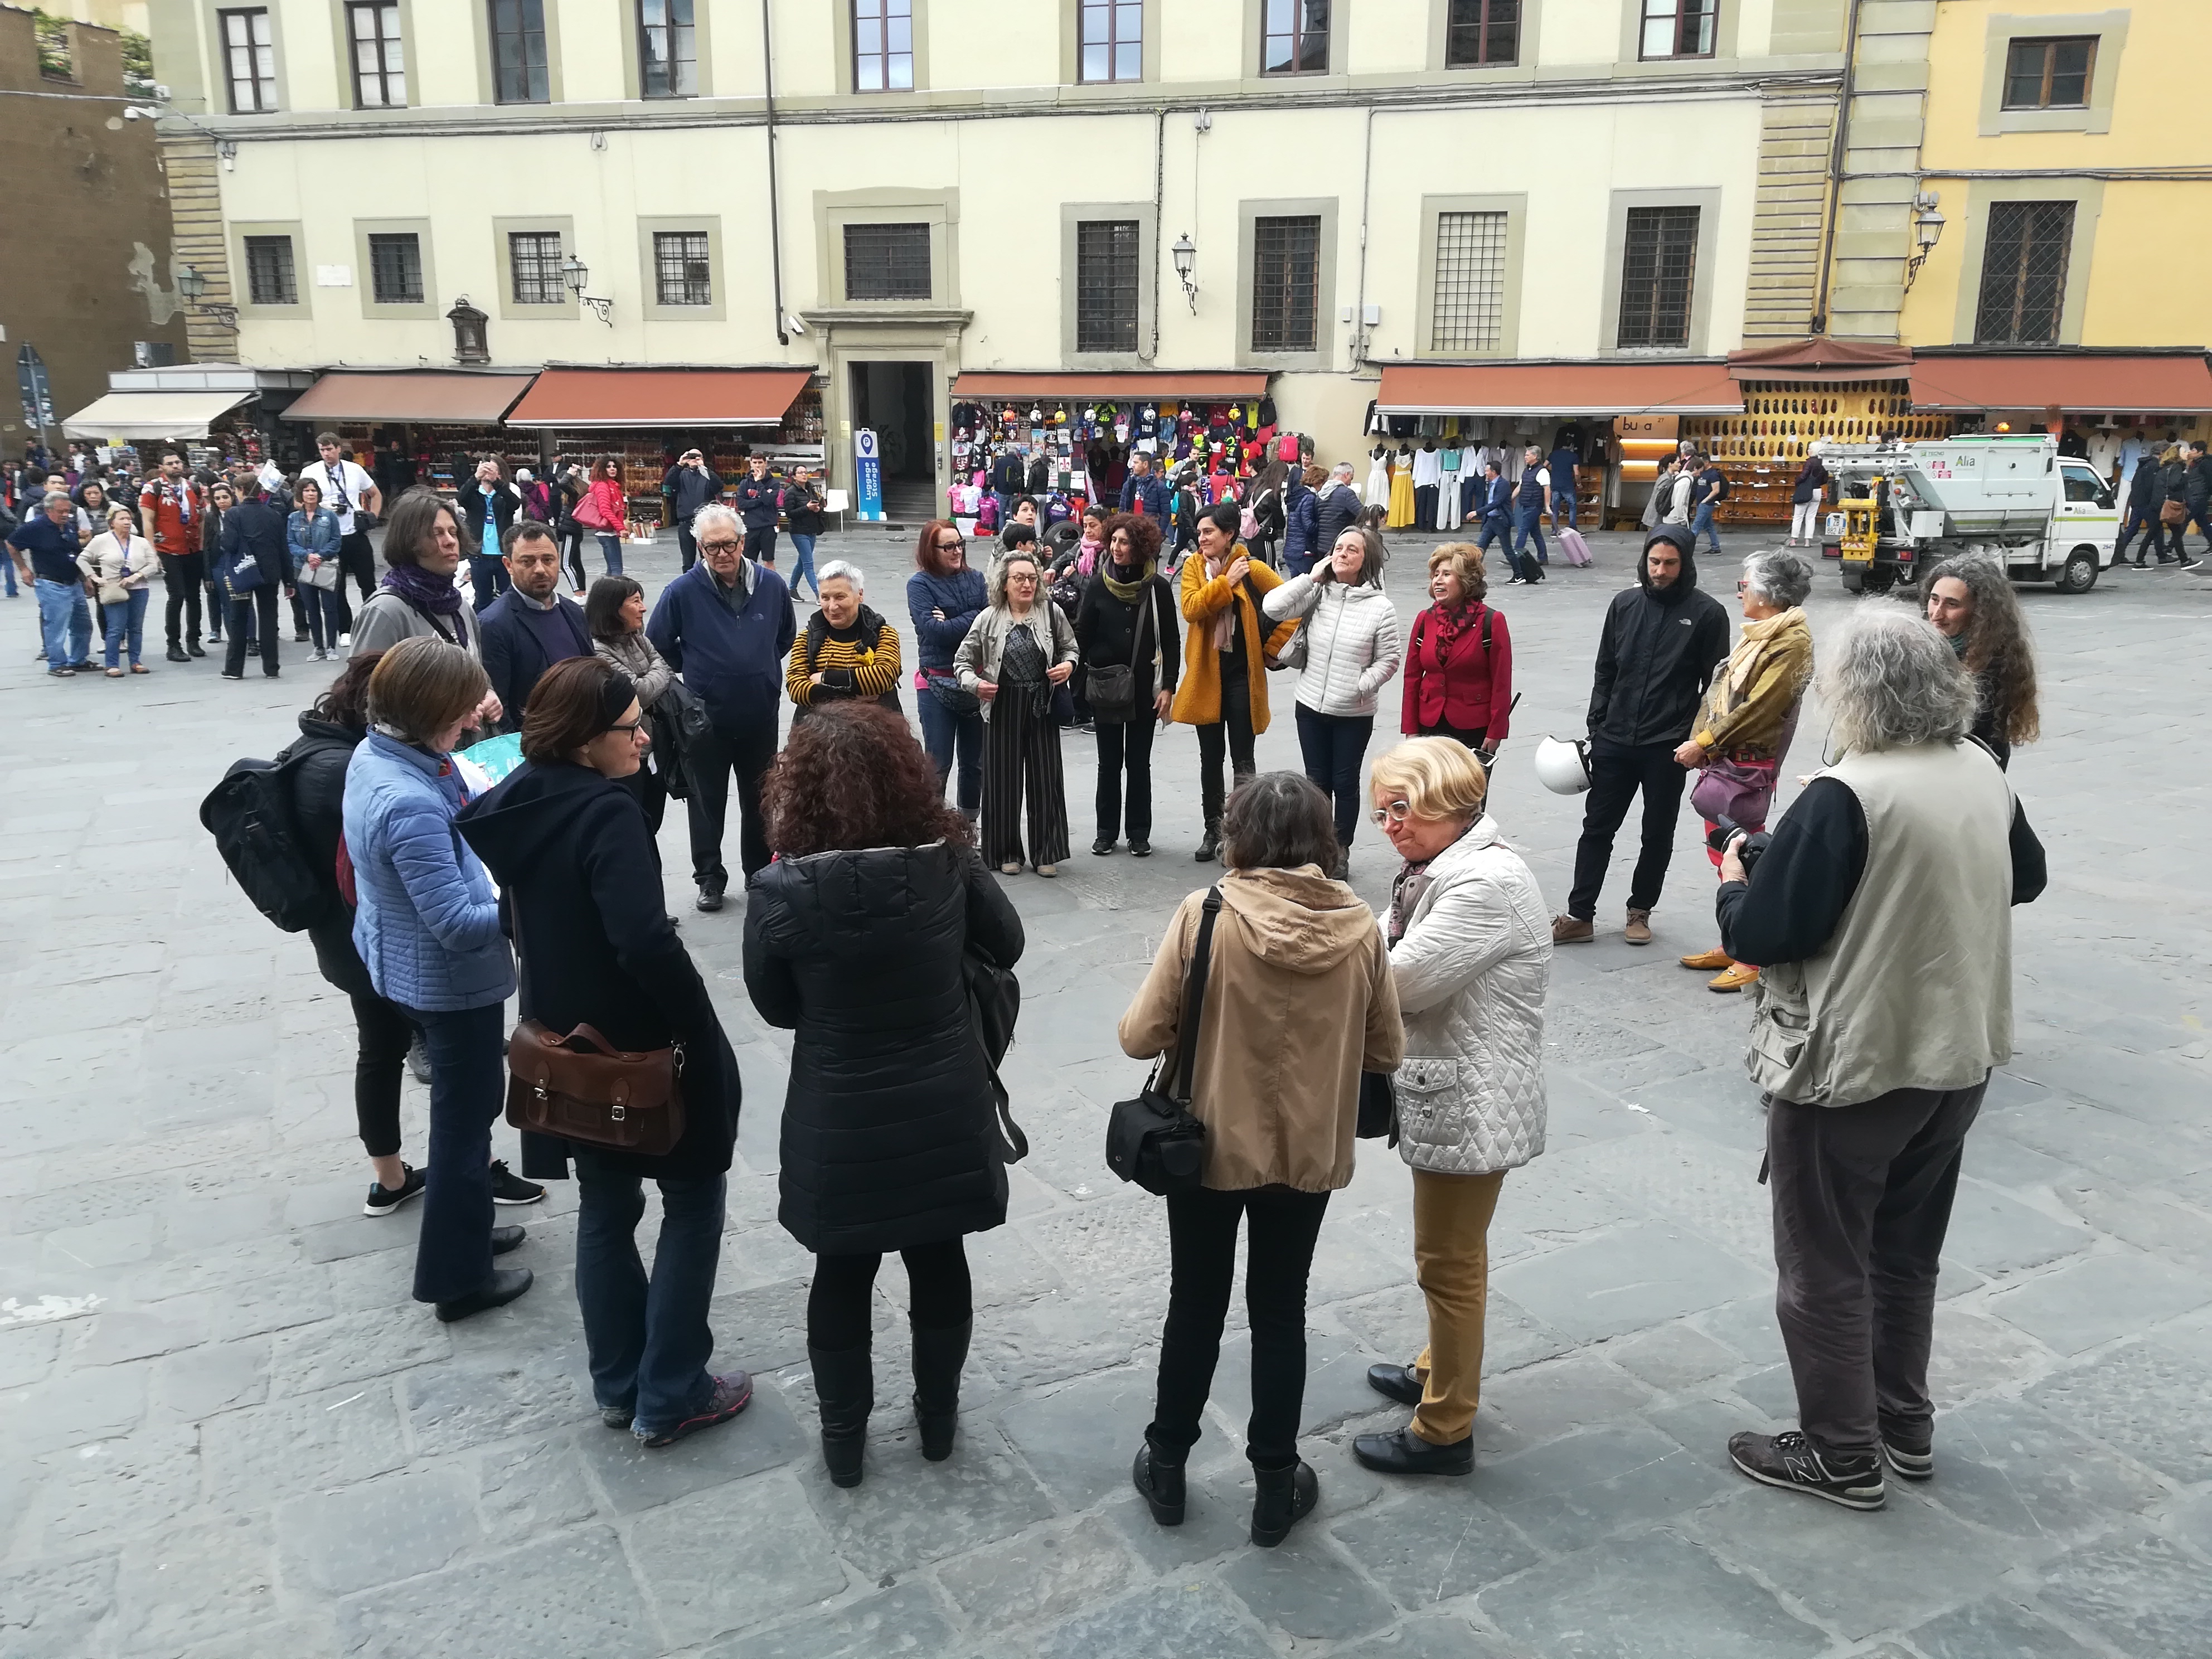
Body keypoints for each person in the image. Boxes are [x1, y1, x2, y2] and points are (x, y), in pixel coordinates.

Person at [1716, 605, 2046, 1511]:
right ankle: (1901, 1423)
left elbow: (1768, 932)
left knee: (1821, 1263)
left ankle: (1839, 1453)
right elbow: (2026, 876)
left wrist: (1737, 883)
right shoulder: (1980, 768)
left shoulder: (1843, 792)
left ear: (1851, 695)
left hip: (1855, 1067)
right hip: (1958, 1058)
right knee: (1904, 1255)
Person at [458, 656, 750, 1447]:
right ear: (587, 739)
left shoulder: (517, 800)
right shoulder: (604, 812)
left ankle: (619, 1382)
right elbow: (643, 941)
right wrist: (697, 1024)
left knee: (606, 1207)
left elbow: (523, 919)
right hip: (639, 1046)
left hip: (564, 1044)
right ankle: (672, 1388)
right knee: (693, 1201)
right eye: (630, 727)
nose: (645, 736)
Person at [743, 702, 1025, 1486]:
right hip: (942, 1097)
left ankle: (843, 1441)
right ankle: (938, 1422)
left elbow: (776, 1007)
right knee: (938, 1258)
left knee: (843, 1268)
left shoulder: (780, 890)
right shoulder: (947, 862)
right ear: (906, 776)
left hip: (839, 1109)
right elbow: (1008, 945)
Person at [1120, 772, 1403, 1548]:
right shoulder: (1360, 927)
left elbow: (1140, 1035)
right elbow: (1387, 1049)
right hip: (1307, 1150)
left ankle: (1169, 1464)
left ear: (1238, 831)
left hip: (1207, 1144)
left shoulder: (1205, 913)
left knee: (1196, 1303)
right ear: (1323, 837)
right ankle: (1276, 1485)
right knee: (1281, 1311)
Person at [1353, 739, 1548, 1477]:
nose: (1390, 825)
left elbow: (1396, 978)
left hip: (1473, 1098)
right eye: (1383, 811)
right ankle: (1437, 1369)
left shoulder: (1480, 884)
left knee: (1448, 1263)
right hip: (1456, 1089)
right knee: (1454, 1254)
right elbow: (1382, 936)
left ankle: (1444, 1430)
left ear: (1448, 803)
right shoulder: (1438, 865)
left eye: (1403, 809)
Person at [343, 637, 532, 1323]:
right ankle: (456, 1278)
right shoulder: (407, 802)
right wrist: (525, 899)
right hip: (447, 983)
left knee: (466, 1113)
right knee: (463, 1122)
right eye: (459, 712)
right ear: (428, 713)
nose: (470, 722)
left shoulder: (381, 753)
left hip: (405, 963)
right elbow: (456, 921)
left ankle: (469, 1225)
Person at [279, 651, 472, 1219]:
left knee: (381, 1049)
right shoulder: (346, 768)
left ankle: (390, 1179)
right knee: (449, 1065)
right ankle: (468, 1175)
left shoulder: (330, 749)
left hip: (350, 936)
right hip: (372, 939)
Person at [1554, 525, 1730, 946]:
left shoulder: (1708, 614)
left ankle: (1640, 911)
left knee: (1657, 832)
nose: (1661, 570)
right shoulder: (1624, 605)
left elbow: (1717, 687)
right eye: (1654, 562)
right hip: (1614, 739)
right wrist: (1597, 725)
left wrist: (1698, 740)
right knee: (1597, 827)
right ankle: (1580, 914)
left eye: (1670, 563)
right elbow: (1605, 669)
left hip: (1667, 747)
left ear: (1685, 564)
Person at [1675, 549, 1816, 993]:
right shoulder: (1760, 633)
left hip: (1746, 760)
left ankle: (1751, 951)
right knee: (1723, 851)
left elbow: (1761, 710)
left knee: (1746, 852)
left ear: (1768, 593)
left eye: (1745, 585)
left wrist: (1703, 743)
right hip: (1726, 759)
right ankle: (1734, 937)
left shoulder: (1790, 642)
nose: (1740, 592)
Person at [647, 501, 796, 912]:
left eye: (728, 545)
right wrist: (698, 670)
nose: (722, 554)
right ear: (700, 548)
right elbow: (657, 644)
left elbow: (785, 636)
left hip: (759, 713)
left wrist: (761, 670)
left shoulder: (772, 585)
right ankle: (710, 879)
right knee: (705, 800)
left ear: (743, 541)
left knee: (759, 799)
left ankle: (757, 873)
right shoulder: (681, 592)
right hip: (703, 718)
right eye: (711, 548)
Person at [1263, 525, 1403, 863]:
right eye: (1338, 548)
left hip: (1353, 713)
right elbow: (1272, 607)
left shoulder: (1380, 607)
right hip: (1310, 704)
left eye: (1351, 549)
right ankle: (1317, 847)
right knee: (1316, 781)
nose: (1342, 553)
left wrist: (1361, 685)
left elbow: (1390, 659)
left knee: (1344, 782)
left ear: (1366, 559)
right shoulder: (1319, 592)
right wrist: (1311, 577)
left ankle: (1340, 849)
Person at [1174, 501, 1297, 862]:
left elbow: (1294, 606)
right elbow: (1192, 608)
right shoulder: (1195, 567)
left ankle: (1244, 832)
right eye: (1199, 532)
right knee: (1209, 759)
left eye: (1209, 532)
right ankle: (1212, 829)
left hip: (1244, 677)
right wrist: (1224, 585)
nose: (1202, 538)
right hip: (1207, 677)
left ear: (1229, 535)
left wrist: (1273, 649)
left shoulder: (1254, 569)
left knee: (1243, 760)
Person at [954, 543, 1076, 877]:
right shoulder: (988, 618)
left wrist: (1067, 666)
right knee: (1002, 781)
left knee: (1045, 779)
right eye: (1019, 578)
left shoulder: (1052, 613)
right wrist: (975, 685)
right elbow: (962, 662)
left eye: (1032, 578)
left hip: (1041, 704)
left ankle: (1046, 852)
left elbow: (1070, 648)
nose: (1027, 584)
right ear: (1004, 583)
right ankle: (1006, 850)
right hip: (1002, 703)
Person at [1076, 512, 1179, 857]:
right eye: (1114, 541)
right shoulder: (1098, 584)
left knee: (1139, 763)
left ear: (1141, 547)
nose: (1117, 548)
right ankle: (1105, 831)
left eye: (1125, 542)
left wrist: (1168, 686)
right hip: (1106, 688)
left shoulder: (1158, 588)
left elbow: (1172, 641)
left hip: (1144, 690)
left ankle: (1138, 832)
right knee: (1108, 762)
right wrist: (1076, 678)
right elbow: (1083, 635)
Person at [1920, 554, 2040, 772]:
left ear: (1980, 611)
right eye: (1934, 599)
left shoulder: (1991, 663)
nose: (1936, 614)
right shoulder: (1922, 646)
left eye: (1952, 604)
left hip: (1968, 772)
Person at [478, 520, 591, 733]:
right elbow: (500, 711)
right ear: (508, 565)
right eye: (527, 562)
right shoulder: (494, 625)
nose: (540, 569)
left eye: (548, 560)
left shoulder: (573, 612)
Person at [1401, 543, 1512, 761]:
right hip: (1429, 723)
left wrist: (1496, 731)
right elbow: (1412, 677)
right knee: (1429, 792)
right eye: (1435, 575)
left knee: (1466, 793)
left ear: (1465, 581)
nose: (1438, 580)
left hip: (1472, 726)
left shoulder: (1491, 621)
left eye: (1446, 574)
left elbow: (1502, 681)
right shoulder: (1425, 619)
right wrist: (1410, 728)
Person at [349, 487, 484, 664]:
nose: (451, 541)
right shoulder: (386, 612)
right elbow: (362, 689)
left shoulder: (461, 607)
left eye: (453, 532)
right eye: (437, 533)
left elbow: (480, 678)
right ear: (410, 541)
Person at [909, 520, 989, 817]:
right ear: (932, 550)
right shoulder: (919, 584)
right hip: (935, 682)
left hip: (974, 681)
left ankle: (969, 826)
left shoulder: (977, 578)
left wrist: (956, 618)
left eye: (960, 545)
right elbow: (934, 632)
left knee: (974, 763)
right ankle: (934, 828)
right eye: (949, 547)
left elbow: (987, 621)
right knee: (938, 762)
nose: (957, 552)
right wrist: (974, 615)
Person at [588, 574, 676, 833]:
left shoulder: (637, 638)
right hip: (625, 755)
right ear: (613, 608)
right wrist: (653, 674)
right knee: (634, 824)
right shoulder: (598, 651)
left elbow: (667, 669)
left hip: (654, 747)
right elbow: (640, 693)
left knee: (652, 821)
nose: (643, 608)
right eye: (635, 601)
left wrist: (652, 674)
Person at [786, 560, 900, 716]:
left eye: (840, 597)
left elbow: (884, 676)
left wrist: (824, 678)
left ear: (860, 595)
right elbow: (796, 689)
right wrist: (856, 692)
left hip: (877, 731)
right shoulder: (807, 639)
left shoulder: (883, 634)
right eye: (825, 598)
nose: (832, 607)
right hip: (818, 732)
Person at [302, 433, 383, 621]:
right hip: (328, 535)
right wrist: (318, 508)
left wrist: (373, 517)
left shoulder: (354, 469)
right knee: (337, 586)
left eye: (330, 449)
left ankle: (372, 621)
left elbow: (375, 494)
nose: (326, 454)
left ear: (338, 448)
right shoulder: (310, 472)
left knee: (368, 582)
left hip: (355, 532)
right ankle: (344, 628)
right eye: (322, 450)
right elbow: (299, 502)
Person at [218, 477, 291, 681]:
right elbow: (283, 549)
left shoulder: (233, 514)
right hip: (270, 571)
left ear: (241, 490)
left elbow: (229, 543)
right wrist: (289, 580)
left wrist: (221, 540)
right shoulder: (274, 515)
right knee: (269, 619)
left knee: (239, 617)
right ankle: (271, 667)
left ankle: (234, 669)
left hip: (242, 571)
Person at [140, 451, 210, 663]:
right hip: (168, 549)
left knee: (194, 596)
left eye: (178, 462)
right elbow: (148, 521)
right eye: (170, 464)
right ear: (162, 467)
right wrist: (152, 552)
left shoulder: (193, 487)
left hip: (192, 548)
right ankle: (173, 644)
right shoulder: (153, 488)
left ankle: (194, 639)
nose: (176, 466)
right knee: (176, 596)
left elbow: (202, 518)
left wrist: (201, 544)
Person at [76, 503, 156, 676]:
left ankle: (135, 661)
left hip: (139, 587)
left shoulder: (140, 541)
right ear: (112, 522)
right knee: (116, 627)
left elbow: (153, 565)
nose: (127, 522)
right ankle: (112, 664)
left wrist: (136, 576)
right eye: (122, 519)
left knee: (136, 627)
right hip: (114, 587)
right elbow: (82, 559)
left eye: (129, 519)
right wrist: (95, 577)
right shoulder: (101, 540)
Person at [287, 476, 345, 661]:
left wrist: (320, 555)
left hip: (326, 565)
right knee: (311, 609)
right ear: (300, 494)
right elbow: (290, 543)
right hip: (303, 567)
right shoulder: (293, 518)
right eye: (306, 491)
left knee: (330, 608)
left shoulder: (329, 516)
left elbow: (336, 540)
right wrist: (307, 556)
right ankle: (318, 647)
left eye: (313, 490)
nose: (311, 494)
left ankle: (331, 647)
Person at [456, 459, 521, 606]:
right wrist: (475, 477)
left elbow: (515, 504)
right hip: (479, 553)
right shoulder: (474, 494)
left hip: (502, 554)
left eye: (492, 470)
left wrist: (497, 483)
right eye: (485, 469)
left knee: (507, 596)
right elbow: (461, 498)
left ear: (499, 473)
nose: (487, 473)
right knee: (482, 598)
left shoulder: (504, 493)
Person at [661, 448, 724, 573]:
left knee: (708, 557)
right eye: (692, 456)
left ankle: (711, 582)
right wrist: (680, 464)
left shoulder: (707, 474)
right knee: (687, 560)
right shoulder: (681, 475)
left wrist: (704, 468)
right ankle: (688, 586)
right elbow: (668, 482)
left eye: (698, 456)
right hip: (686, 521)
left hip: (705, 522)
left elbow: (718, 486)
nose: (695, 459)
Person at [2115, 443, 2169, 566]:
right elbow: (2152, 487)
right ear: (2162, 454)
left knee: (2133, 529)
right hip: (2146, 503)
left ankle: (2118, 554)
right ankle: (2160, 556)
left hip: (2137, 500)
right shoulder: (2154, 467)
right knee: (2157, 528)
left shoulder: (2143, 464)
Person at [783, 465, 826, 602]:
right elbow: (790, 514)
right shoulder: (790, 492)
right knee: (808, 563)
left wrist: (816, 509)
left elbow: (819, 508)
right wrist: (806, 508)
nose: (804, 475)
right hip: (798, 531)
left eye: (805, 472)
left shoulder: (810, 489)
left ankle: (792, 589)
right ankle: (819, 595)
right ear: (794, 476)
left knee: (802, 562)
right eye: (800, 473)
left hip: (811, 530)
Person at [734, 453, 782, 568]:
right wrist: (760, 501)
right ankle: (748, 586)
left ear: (766, 464)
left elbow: (768, 501)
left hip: (768, 527)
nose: (757, 465)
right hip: (750, 527)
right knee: (748, 563)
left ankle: (771, 586)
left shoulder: (774, 483)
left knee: (769, 562)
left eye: (760, 462)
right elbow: (741, 504)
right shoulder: (745, 483)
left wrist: (759, 483)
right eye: (755, 463)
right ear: (751, 464)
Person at [1508, 447, 1548, 584]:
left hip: (1534, 505)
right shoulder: (1527, 470)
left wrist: (1547, 506)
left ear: (1535, 456)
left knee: (1523, 530)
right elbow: (1520, 486)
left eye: (1527, 455)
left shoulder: (1542, 471)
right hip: (1526, 504)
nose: (1525, 457)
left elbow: (1547, 489)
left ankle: (1515, 556)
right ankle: (1543, 557)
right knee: (1536, 533)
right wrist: (1510, 499)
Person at [584, 459, 627, 579]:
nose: (613, 469)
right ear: (602, 470)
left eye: (614, 466)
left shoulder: (612, 486)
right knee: (616, 569)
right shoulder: (603, 486)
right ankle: (616, 594)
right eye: (608, 467)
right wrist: (621, 528)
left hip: (610, 531)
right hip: (607, 531)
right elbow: (605, 510)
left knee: (613, 569)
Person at [555, 460, 591, 596]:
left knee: (565, 564)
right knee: (577, 564)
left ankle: (578, 592)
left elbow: (563, 484)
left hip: (571, 530)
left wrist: (570, 474)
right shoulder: (578, 492)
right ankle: (582, 592)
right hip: (574, 530)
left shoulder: (574, 494)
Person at [1314, 460, 1364, 554]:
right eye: (1351, 478)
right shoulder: (1346, 493)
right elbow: (1362, 513)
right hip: (1339, 544)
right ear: (1346, 474)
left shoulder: (1320, 493)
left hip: (1322, 545)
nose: (1350, 483)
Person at [1282, 464, 1322, 574]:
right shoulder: (1309, 498)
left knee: (1296, 589)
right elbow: (1308, 526)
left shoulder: (1296, 496)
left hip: (1291, 551)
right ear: (1317, 482)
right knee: (1309, 589)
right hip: (1304, 552)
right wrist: (1322, 525)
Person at [1789, 454, 1830, 547]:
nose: (1808, 451)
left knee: (1798, 516)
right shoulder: (1824, 461)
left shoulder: (1810, 462)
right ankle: (1807, 542)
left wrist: (1797, 482)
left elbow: (1804, 475)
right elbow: (1825, 479)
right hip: (1817, 491)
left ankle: (1794, 541)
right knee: (1811, 517)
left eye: (1810, 449)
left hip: (1806, 490)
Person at [1118, 448, 1169, 520]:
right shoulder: (1129, 484)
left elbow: (1166, 513)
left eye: (1136, 463)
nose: (1133, 466)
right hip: (1131, 527)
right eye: (1133, 463)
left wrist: (1159, 530)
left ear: (1145, 464)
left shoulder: (1159, 486)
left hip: (1150, 528)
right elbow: (1122, 509)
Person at [1692, 452, 1727, 555]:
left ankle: (1686, 547)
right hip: (1702, 503)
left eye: (1701, 462)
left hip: (1706, 504)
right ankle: (1716, 547)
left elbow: (1716, 490)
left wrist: (1705, 501)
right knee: (1709, 527)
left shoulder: (1713, 474)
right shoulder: (1702, 472)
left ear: (1706, 462)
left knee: (1696, 526)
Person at [1548, 437, 1581, 531]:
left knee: (1555, 508)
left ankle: (1554, 530)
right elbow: (1577, 473)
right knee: (1572, 506)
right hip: (1568, 485)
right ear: (1571, 445)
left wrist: (1554, 471)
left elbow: (1544, 465)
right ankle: (1573, 528)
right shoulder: (1573, 456)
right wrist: (1579, 484)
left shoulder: (1553, 454)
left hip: (1555, 484)